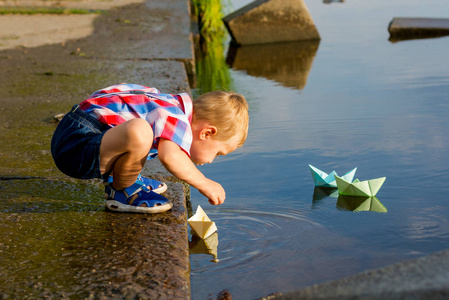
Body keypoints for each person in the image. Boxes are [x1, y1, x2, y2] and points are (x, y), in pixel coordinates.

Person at [51, 83, 249, 213]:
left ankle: (124, 176)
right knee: (140, 131)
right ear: (207, 133)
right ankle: (122, 190)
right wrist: (204, 183)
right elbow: (170, 157)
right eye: (217, 153)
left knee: (140, 130)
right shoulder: (175, 117)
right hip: (76, 149)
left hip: (77, 131)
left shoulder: (166, 104)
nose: (210, 160)